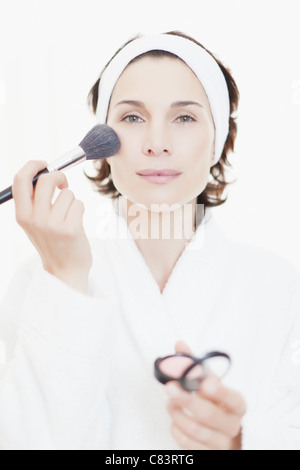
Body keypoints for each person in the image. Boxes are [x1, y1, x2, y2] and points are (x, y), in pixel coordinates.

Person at [0, 30, 299, 450]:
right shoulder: (40, 279)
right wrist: (66, 277)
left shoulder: (280, 286)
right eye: (133, 118)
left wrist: (239, 440)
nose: (157, 144)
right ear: (102, 144)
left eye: (184, 118)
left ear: (218, 140)